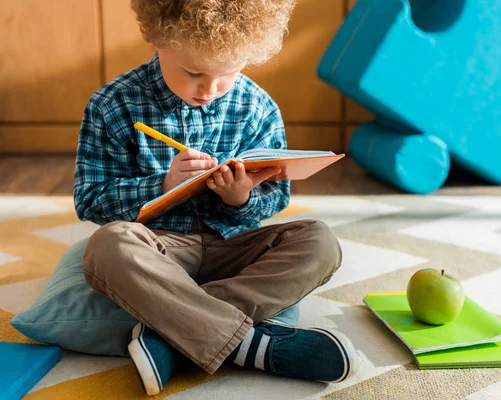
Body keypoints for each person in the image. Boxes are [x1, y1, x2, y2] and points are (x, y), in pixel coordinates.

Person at [74, 0, 356, 396]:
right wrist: (163, 184)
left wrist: (241, 200)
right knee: (107, 246)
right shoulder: (112, 105)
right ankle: (251, 345)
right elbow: (89, 200)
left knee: (321, 242)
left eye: (229, 75)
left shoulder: (258, 106)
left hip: (234, 247)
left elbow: (277, 196)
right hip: (159, 248)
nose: (210, 89)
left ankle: (173, 332)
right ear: (156, 37)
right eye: (193, 72)